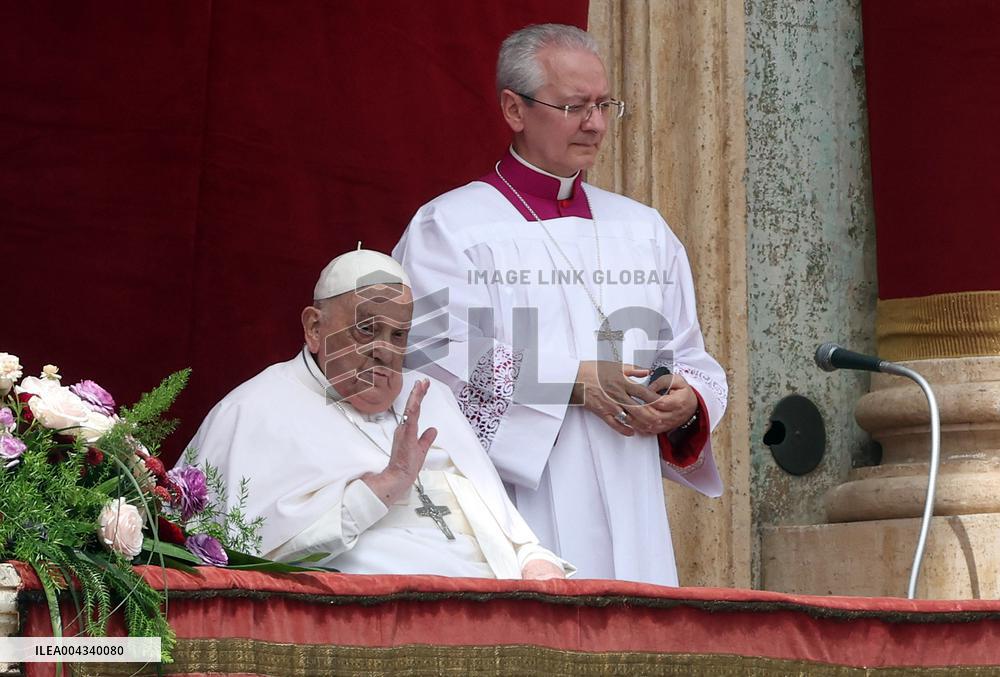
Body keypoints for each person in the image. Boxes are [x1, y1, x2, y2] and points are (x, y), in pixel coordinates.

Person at [392, 24, 727, 586]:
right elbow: (431, 358)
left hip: (632, 496)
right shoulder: (450, 227)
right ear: (514, 109)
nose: (594, 124)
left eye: (603, 105)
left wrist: (687, 401)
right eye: (574, 106)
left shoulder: (643, 230)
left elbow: (690, 355)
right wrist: (570, 381)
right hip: (520, 499)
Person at [181, 248, 572, 579]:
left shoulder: (430, 397)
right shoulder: (251, 411)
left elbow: (497, 515)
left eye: (398, 336)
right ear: (315, 328)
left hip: (490, 604)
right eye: (367, 329)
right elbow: (254, 562)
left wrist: (533, 559)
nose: (385, 350)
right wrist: (386, 484)